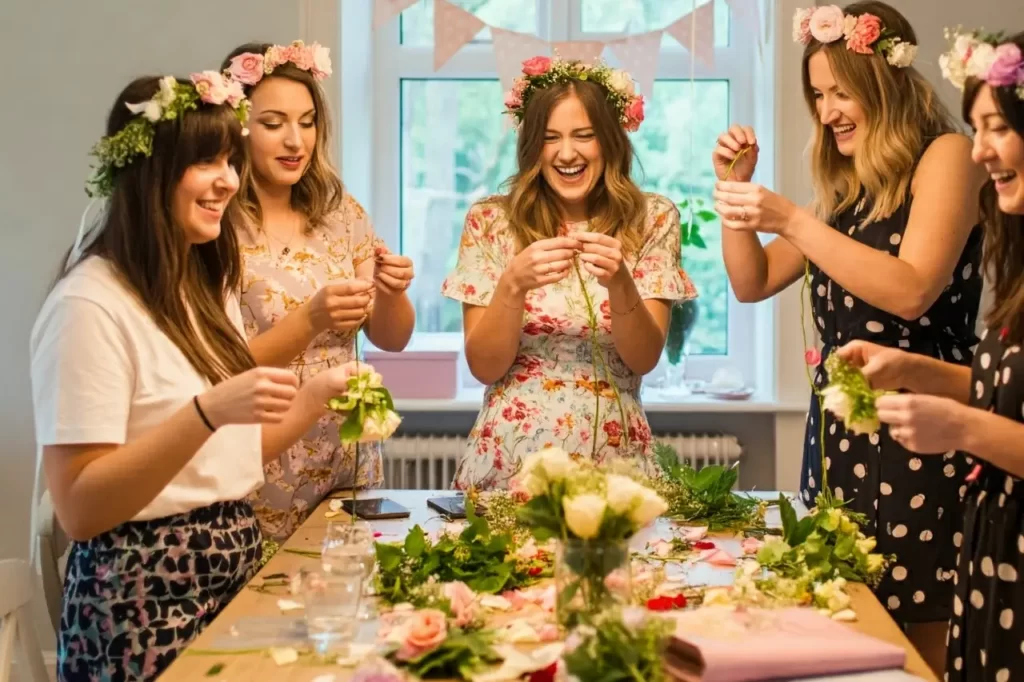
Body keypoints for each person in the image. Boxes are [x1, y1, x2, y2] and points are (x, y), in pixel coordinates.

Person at [31, 73, 361, 681]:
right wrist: (205, 412)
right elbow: (79, 508)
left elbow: (223, 462)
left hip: (232, 568)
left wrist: (314, 398)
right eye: (206, 162)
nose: (229, 180)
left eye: (231, 161)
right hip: (142, 594)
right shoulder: (90, 305)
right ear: (149, 173)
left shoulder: (203, 290)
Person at [710, 1, 986, 668]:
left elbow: (913, 287)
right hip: (839, 440)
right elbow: (752, 283)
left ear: (883, 87)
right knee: (853, 634)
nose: (828, 109)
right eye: (817, 95)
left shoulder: (946, 155)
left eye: (840, 92)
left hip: (923, 435)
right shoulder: (849, 193)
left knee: (917, 649)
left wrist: (793, 219)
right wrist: (734, 197)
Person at [839, 29, 1024, 681]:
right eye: (975, 129)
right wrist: (916, 372)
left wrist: (963, 427)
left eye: (996, 127)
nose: (979, 153)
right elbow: (1005, 388)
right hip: (995, 550)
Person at [441, 56, 696, 490]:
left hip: (615, 465)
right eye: (550, 137)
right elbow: (484, 367)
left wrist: (620, 282)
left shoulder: (652, 218)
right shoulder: (490, 221)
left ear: (611, 141)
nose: (567, 153)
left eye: (584, 136)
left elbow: (644, 359)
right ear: (531, 146)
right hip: (511, 460)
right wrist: (512, 285)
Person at [221, 41, 415, 539]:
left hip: (346, 457)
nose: (295, 141)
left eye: (307, 122)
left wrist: (391, 292)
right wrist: (310, 319)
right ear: (237, 126)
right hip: (261, 458)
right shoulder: (217, 224)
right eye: (273, 124)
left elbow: (392, 338)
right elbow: (219, 373)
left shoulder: (338, 211)